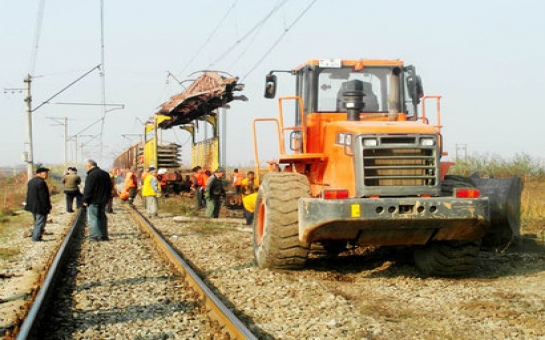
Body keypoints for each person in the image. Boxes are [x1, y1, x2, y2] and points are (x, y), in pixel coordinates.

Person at [82, 159, 113, 242]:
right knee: (102, 217)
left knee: (93, 218)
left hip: (93, 200)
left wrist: (85, 200)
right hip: (103, 200)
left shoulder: (91, 175)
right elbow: (110, 186)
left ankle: (94, 236)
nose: (86, 168)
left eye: (86, 167)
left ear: (90, 166)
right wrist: (107, 197)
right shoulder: (105, 174)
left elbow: (88, 189)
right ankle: (104, 236)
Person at [25, 167, 52, 242]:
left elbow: (29, 194)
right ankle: (36, 238)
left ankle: (36, 236)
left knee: (37, 221)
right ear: (39, 173)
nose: (47, 175)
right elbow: (44, 196)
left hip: (32, 206)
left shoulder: (31, 181)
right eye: (45, 173)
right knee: (40, 223)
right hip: (40, 206)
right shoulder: (41, 182)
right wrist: (47, 206)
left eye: (47, 173)